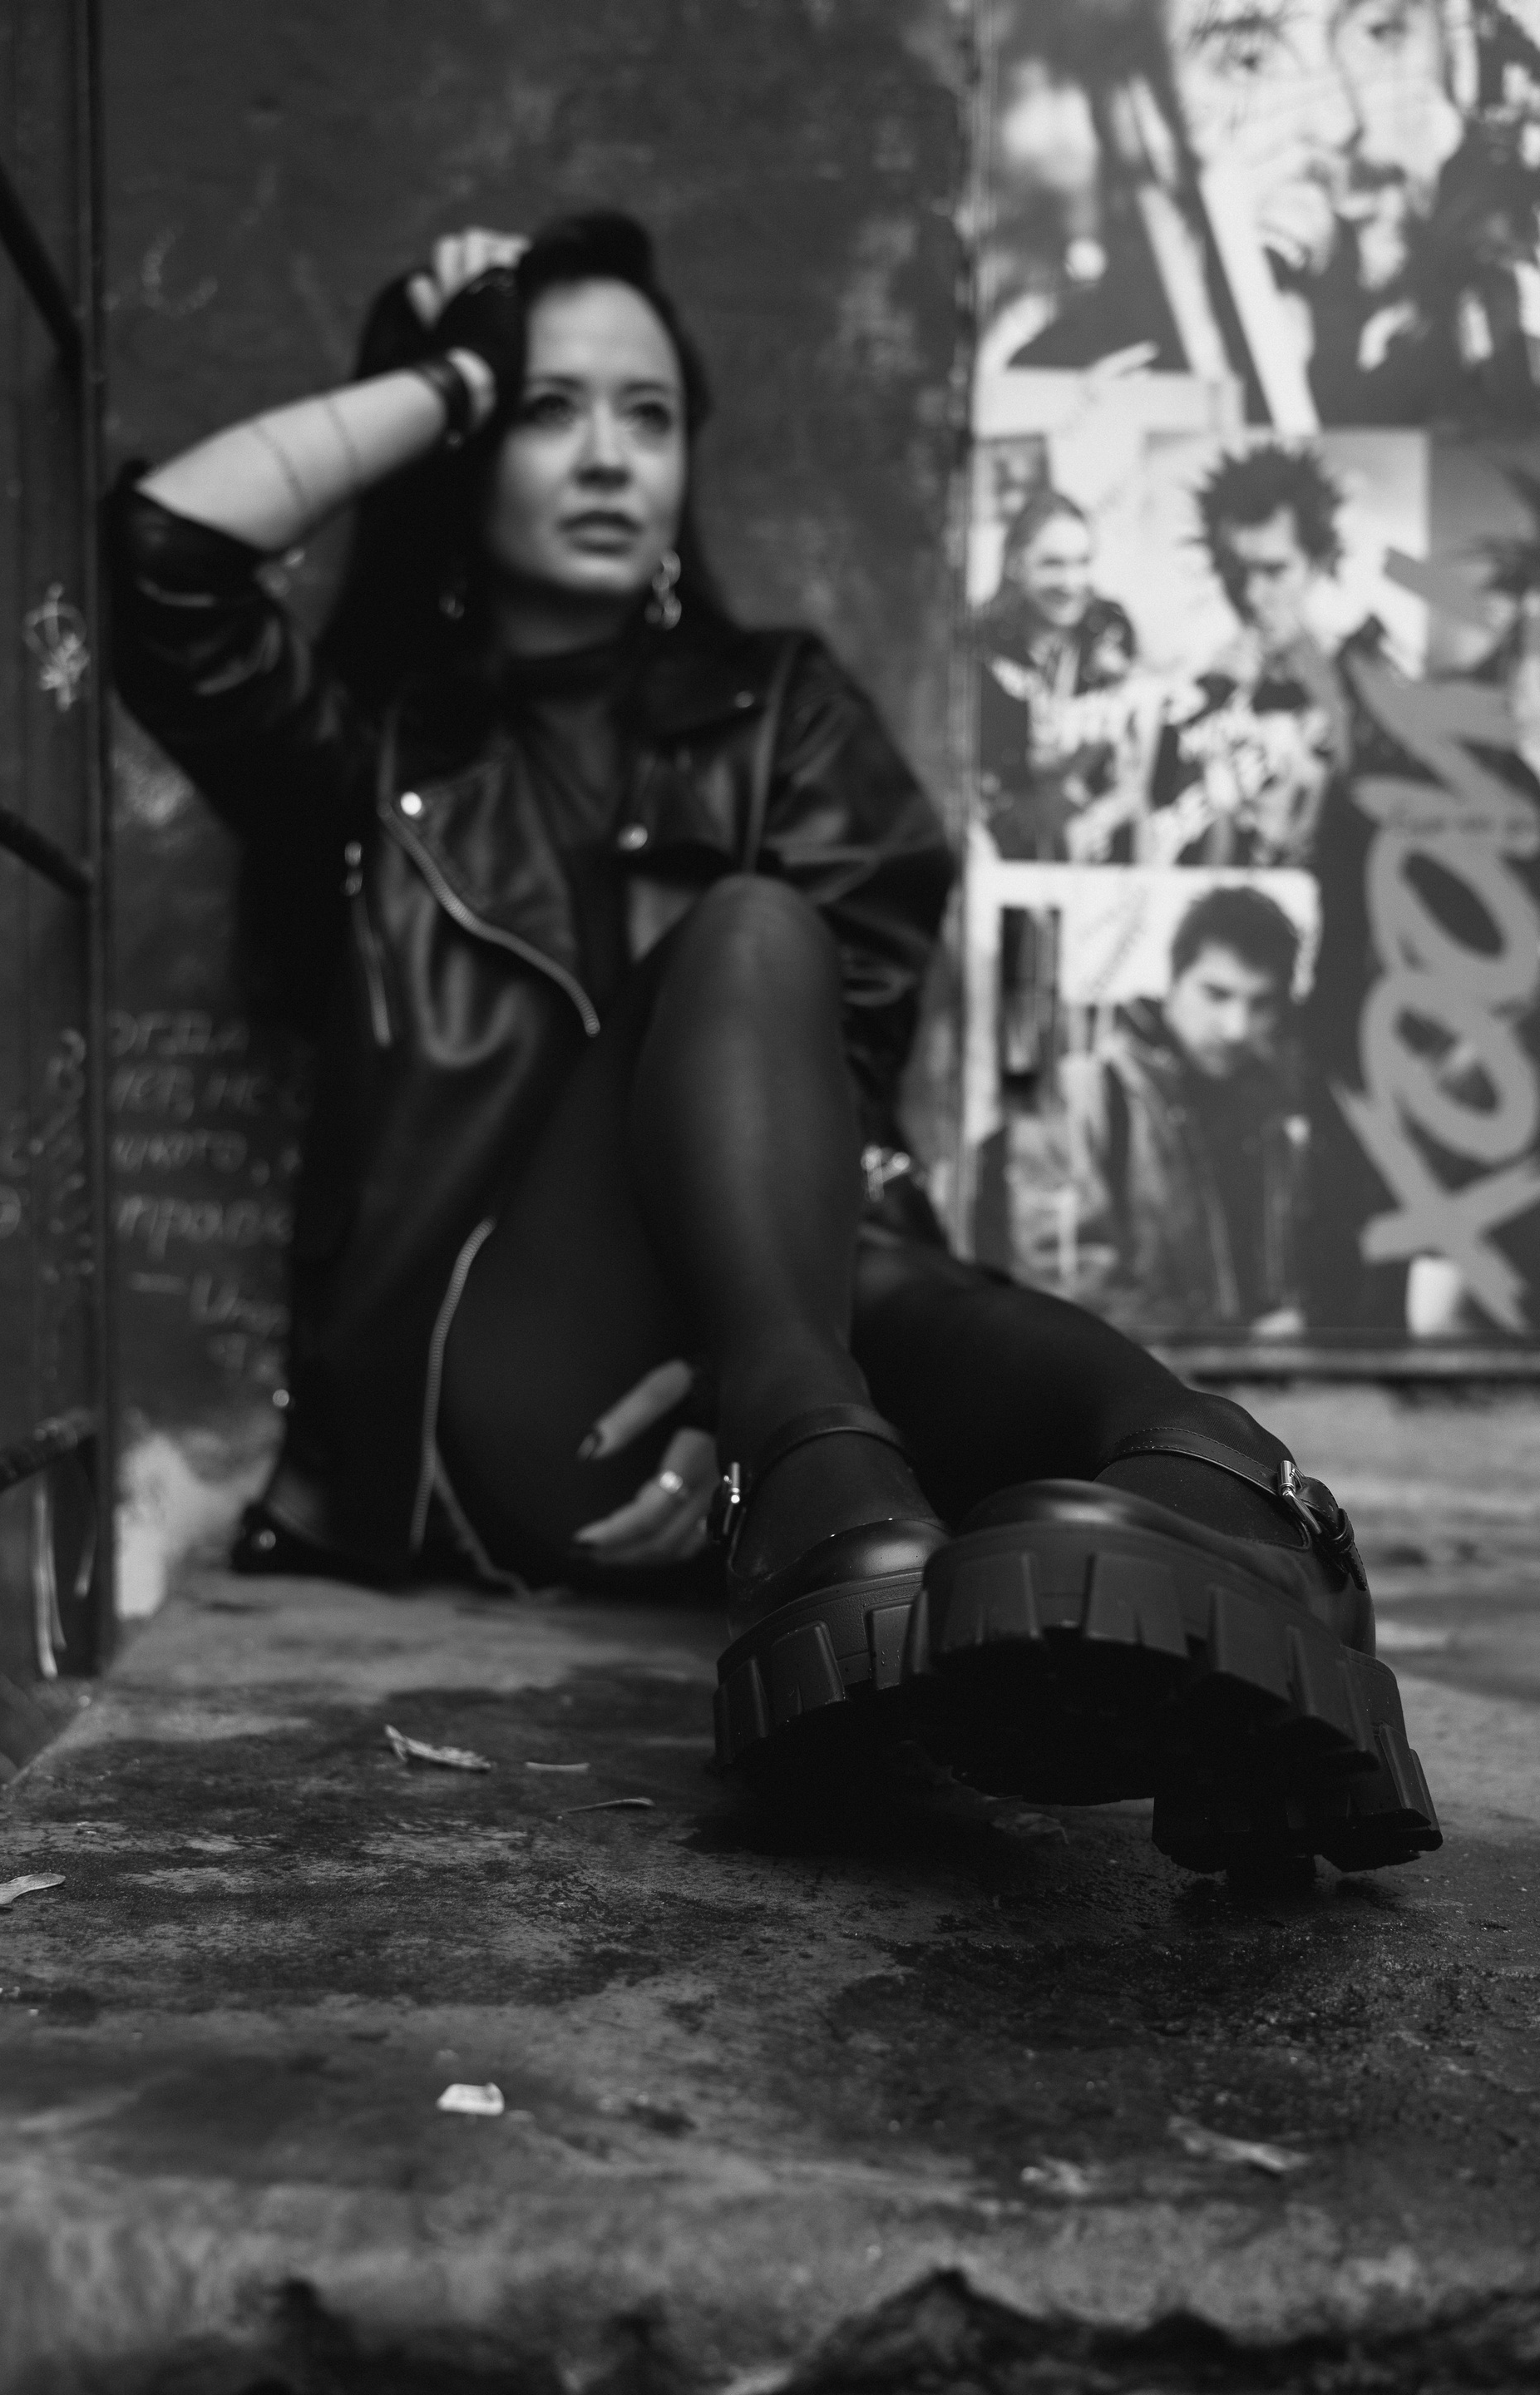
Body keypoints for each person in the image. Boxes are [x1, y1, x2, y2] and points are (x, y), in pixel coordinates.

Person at [110, 210, 1437, 1874]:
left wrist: (753, 1356)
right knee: (748, 927)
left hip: (787, 1390)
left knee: (835, 1166)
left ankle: (1190, 1485)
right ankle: (1069, 1478)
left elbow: (838, 1100)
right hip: (525, 1401)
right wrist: (448, 372)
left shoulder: (787, 711)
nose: (611, 456)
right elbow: (164, 559)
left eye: (651, 415)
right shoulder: (367, 751)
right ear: (463, 447)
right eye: (545, 408)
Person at [987, 0, 1540, 427]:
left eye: (1380, 32)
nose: (1339, 121)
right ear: (1148, 121)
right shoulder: (1070, 391)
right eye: (1249, 60)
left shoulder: (1518, 340)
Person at [1065, 886, 1309, 1331]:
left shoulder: (1279, 1114)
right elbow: (1067, 1288)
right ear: (1174, 982)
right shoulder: (1098, 1093)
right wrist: (1227, 1343)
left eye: (1261, 1004)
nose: (1236, 1028)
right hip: (1151, 1372)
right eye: (1216, 994)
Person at [1148, 446, 1356, 867]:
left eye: (1274, 571)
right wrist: (1210, 704)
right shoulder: (1194, 687)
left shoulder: (1359, 686)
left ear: (1318, 566)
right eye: (1235, 572)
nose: (1251, 595)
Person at [975, 488, 1143, 861]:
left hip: (1101, 841)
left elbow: (1135, 773)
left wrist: (1098, 819)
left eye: (1083, 562)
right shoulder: (981, 647)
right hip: (1012, 844)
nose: (1072, 583)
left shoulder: (1111, 631)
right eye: (1053, 564)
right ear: (1015, 565)